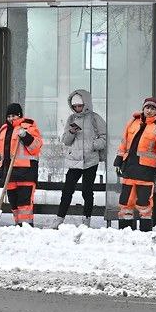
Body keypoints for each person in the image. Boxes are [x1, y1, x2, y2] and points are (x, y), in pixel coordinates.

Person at [113, 97, 156, 232]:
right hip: (129, 169)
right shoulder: (133, 122)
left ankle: (145, 234)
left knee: (144, 205)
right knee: (125, 203)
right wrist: (119, 161)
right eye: (147, 107)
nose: (149, 110)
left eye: (153, 108)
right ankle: (125, 233)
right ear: (143, 108)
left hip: (146, 172)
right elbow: (124, 144)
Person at [55, 89, 107, 227]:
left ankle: (86, 219)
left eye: (80, 106)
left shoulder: (95, 118)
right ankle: (59, 218)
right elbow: (66, 141)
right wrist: (71, 132)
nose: (77, 108)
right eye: (75, 106)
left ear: (86, 104)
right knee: (67, 190)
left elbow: (105, 137)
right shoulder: (71, 119)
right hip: (74, 160)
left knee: (87, 191)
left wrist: (93, 145)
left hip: (90, 160)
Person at [0, 103, 43, 226]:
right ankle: (18, 227)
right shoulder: (3, 130)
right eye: (9, 116)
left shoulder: (29, 127)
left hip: (26, 173)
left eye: (14, 116)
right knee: (14, 204)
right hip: (9, 173)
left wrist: (25, 136)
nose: (11, 118)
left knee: (24, 205)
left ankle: (26, 227)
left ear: (20, 115)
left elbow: (36, 147)